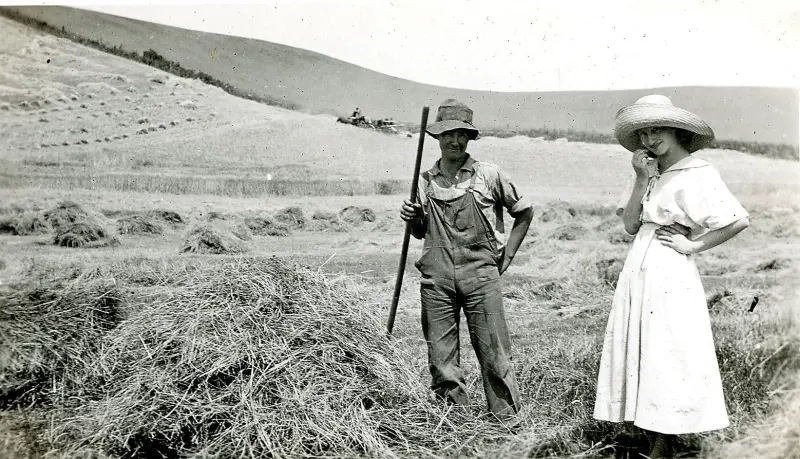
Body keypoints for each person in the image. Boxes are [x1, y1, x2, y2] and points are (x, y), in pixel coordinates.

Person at [594, 95, 751, 458]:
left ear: (676, 130)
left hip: (670, 269)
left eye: (657, 130)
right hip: (639, 267)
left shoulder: (698, 171)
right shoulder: (650, 172)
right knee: (642, 347)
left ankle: (665, 444)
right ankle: (651, 441)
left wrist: (692, 245)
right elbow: (630, 225)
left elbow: (737, 220)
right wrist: (640, 178)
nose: (650, 140)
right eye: (643, 133)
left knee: (665, 352)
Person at [399, 99, 534, 424]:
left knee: (494, 353)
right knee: (441, 357)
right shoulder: (425, 179)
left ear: (469, 137)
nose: (455, 141)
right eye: (448, 134)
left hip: (481, 277)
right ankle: (453, 423)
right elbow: (420, 232)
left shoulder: (489, 175)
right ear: (438, 137)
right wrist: (412, 216)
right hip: (437, 279)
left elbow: (524, 212)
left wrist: (507, 255)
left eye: (461, 134)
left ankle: (506, 423)